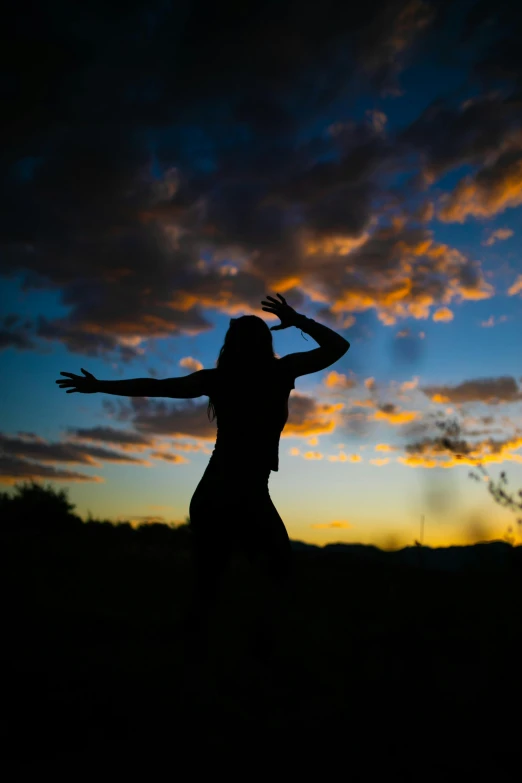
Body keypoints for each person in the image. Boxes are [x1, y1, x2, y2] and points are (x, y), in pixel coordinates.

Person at [56, 293, 350, 667]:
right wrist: (298, 320)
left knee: (217, 579)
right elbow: (338, 346)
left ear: (232, 346)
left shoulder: (222, 378)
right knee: (269, 571)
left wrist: (101, 386)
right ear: (265, 343)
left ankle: (210, 651)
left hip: (219, 491)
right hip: (238, 491)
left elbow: (157, 385)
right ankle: (251, 653)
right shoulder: (278, 372)